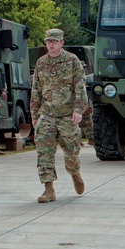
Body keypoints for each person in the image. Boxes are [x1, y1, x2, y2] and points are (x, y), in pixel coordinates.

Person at [31, 28, 89, 203]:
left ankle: (74, 172)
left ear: (61, 43)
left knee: (72, 150)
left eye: (54, 41)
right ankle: (49, 189)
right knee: (44, 151)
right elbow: (36, 90)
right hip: (47, 114)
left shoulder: (72, 61)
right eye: (48, 41)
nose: (51, 44)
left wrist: (78, 110)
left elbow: (80, 86)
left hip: (67, 115)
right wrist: (34, 114)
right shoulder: (41, 63)